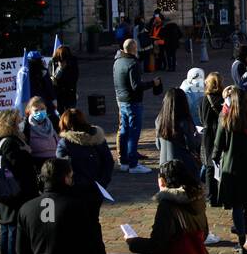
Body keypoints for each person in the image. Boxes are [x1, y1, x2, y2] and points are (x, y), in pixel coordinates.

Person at [212, 85, 247, 253]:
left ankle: (242, 241)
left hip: (232, 167)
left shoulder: (225, 118)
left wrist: (214, 160)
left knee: (238, 206)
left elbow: (218, 145)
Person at [0, 109, 39, 254]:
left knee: (6, 228)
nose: (21, 123)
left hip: (5, 190)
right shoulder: (10, 142)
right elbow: (18, 167)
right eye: (18, 121)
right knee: (13, 231)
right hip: (15, 192)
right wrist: (26, 153)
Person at [56, 107, 115, 239]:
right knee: (93, 221)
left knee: (77, 224)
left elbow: (61, 168)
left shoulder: (65, 143)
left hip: (76, 190)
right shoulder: (97, 137)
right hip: (97, 189)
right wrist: (102, 182)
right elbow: (108, 162)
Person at [114, 38, 158, 174]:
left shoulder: (118, 61)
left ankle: (124, 162)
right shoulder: (133, 63)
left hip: (121, 100)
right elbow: (136, 86)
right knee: (133, 132)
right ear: (134, 48)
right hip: (132, 101)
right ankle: (133, 164)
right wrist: (152, 83)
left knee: (124, 131)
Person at [197, 73, 225, 245]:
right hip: (220, 133)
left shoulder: (204, 100)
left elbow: (201, 118)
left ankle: (211, 195)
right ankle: (221, 193)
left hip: (208, 134)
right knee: (220, 164)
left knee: (209, 164)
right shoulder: (222, 99)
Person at [156, 87, 201, 176]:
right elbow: (191, 145)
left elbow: (158, 145)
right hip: (181, 164)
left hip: (163, 164)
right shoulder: (184, 121)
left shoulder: (159, 120)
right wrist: (198, 138)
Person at [24, 96, 60, 164]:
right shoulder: (26, 126)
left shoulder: (53, 121)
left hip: (54, 161)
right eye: (36, 110)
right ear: (29, 112)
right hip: (36, 162)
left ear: (46, 109)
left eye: (42, 109)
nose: (40, 112)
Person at [50, 45, 80, 114]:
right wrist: (60, 69)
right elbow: (53, 78)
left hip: (69, 93)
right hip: (58, 93)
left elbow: (74, 79)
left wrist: (66, 68)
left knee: (70, 113)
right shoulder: (53, 62)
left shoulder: (72, 63)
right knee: (59, 112)